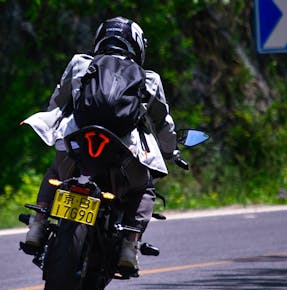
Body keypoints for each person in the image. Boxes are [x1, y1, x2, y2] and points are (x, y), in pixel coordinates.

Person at [21, 17, 177, 273]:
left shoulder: (80, 63)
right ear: (137, 46)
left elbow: (57, 102)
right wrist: (170, 152)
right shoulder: (150, 79)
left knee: (56, 173)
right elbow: (164, 124)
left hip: (78, 142)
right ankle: (129, 245)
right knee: (144, 188)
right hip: (123, 152)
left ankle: (37, 226)